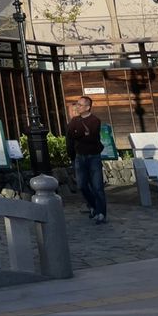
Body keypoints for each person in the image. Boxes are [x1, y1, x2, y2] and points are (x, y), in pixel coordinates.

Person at [65, 95, 107, 224]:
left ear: (88, 107)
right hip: (79, 156)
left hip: (93, 156)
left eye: (80, 105)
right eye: (77, 104)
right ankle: (93, 206)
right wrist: (82, 134)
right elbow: (70, 135)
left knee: (97, 185)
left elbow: (91, 137)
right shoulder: (74, 120)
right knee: (82, 185)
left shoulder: (95, 120)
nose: (77, 107)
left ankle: (101, 212)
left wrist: (78, 134)